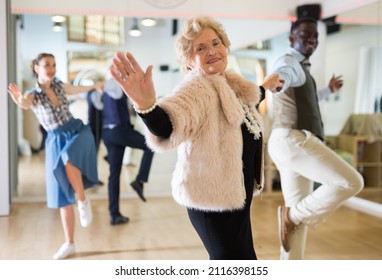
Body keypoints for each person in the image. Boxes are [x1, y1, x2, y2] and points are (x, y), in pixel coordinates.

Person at [110, 16, 283, 259]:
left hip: (235, 197)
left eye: (216, 43)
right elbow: (168, 124)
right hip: (211, 202)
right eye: (200, 48)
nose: (212, 51)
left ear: (225, 46)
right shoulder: (197, 88)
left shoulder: (230, 85)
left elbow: (247, 101)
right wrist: (146, 104)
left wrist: (266, 85)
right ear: (189, 62)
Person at [267, 17, 364, 259]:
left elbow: (305, 98)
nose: (312, 39)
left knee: (296, 224)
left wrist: (328, 91)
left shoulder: (303, 70)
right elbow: (283, 74)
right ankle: (292, 217)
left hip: (285, 143)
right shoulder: (289, 62)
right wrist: (279, 81)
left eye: (315, 36)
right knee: (352, 182)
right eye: (305, 34)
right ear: (291, 38)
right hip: (293, 140)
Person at [8, 53, 103, 260]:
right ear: (36, 68)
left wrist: (95, 86)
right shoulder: (34, 94)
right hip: (55, 140)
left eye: (53, 65)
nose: (51, 69)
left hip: (76, 131)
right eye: (46, 65)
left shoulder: (60, 86)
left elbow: (78, 89)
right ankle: (70, 243)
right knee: (62, 195)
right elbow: (26, 102)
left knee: (69, 161)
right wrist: (20, 101)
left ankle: (83, 200)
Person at [102, 76, 155, 225]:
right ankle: (140, 180)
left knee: (114, 175)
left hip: (108, 132)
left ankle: (114, 214)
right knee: (150, 144)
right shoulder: (114, 85)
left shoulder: (110, 88)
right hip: (120, 132)